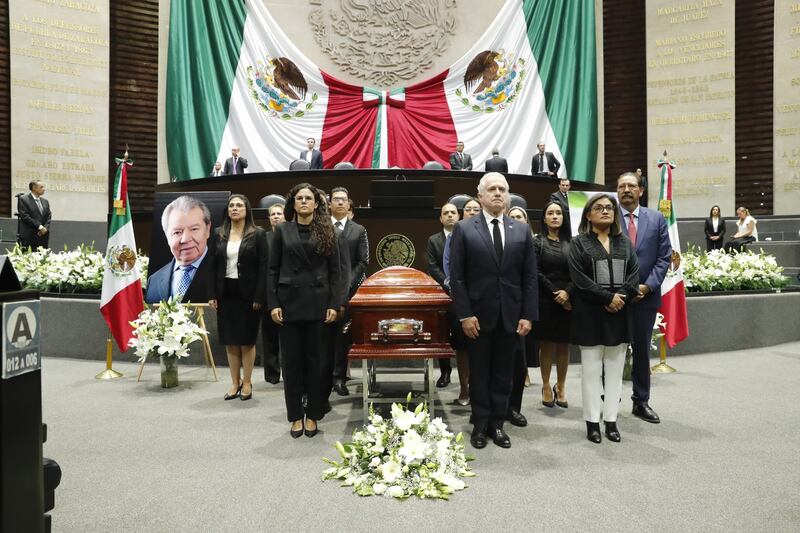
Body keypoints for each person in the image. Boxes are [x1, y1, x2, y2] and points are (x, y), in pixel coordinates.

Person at [450, 172, 538, 450]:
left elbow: (529, 277)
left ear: (508, 195)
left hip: (511, 316)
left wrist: (527, 314)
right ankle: (479, 423)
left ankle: (497, 424)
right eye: (492, 189)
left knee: (504, 373)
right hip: (476, 316)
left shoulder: (521, 230)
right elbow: (458, 277)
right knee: (480, 372)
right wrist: (464, 314)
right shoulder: (464, 229)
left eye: (502, 189)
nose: (498, 193)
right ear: (480, 196)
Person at [268, 183, 342, 438]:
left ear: (316, 203)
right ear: (293, 203)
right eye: (299, 198)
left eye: (308, 198)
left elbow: (336, 273)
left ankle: (313, 415)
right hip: (288, 305)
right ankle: (295, 416)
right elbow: (272, 270)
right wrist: (273, 303)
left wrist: (335, 304)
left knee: (317, 364)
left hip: (318, 305)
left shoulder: (328, 230)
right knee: (291, 365)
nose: (303, 202)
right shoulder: (281, 231)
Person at [568, 193, 640, 443]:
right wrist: (607, 298)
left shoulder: (624, 242)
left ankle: (611, 421)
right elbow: (579, 280)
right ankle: (592, 423)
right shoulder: (578, 243)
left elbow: (634, 274)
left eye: (609, 208)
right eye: (599, 208)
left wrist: (620, 296)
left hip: (619, 315)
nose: (605, 211)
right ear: (588, 214)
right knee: (590, 373)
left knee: (615, 372)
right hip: (590, 315)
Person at [617, 172, 671, 424]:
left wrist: (647, 287)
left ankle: (641, 401)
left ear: (641, 191)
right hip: (613, 299)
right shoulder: (607, 215)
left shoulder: (657, 218)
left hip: (645, 299)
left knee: (640, 352)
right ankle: (608, 402)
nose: (626, 190)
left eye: (631, 186)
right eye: (621, 186)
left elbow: (664, 257)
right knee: (611, 350)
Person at [208, 195, 268, 402]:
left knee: (247, 340)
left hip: (249, 295)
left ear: (247, 210)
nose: (234, 208)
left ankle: (248, 381)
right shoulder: (218, 234)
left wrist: (260, 295)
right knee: (230, 340)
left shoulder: (258, 234)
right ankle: (235, 382)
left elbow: (264, 267)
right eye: (231, 205)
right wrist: (212, 294)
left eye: (239, 205)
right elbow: (212, 266)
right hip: (226, 292)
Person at [532, 201, 573, 408]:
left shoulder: (573, 243)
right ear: (544, 218)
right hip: (545, 299)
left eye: (558, 213)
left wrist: (567, 292)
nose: (555, 216)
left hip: (568, 299)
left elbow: (578, 272)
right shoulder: (537, 241)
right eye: (550, 213)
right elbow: (536, 271)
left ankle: (561, 385)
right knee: (546, 344)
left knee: (564, 345)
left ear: (564, 217)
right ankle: (546, 385)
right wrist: (555, 293)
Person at [329, 187, 369, 397]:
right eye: (336, 200)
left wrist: (347, 284)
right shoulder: (322, 227)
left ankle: (339, 377)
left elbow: (363, 261)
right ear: (329, 204)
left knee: (341, 337)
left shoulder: (358, 230)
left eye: (343, 200)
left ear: (348, 204)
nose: (340, 203)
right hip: (324, 291)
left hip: (350, 292)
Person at [442, 197, 481, 406]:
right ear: (462, 214)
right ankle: (465, 389)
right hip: (461, 300)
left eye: (477, 209)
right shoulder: (455, 236)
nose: (473, 212)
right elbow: (450, 270)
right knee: (463, 348)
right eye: (468, 209)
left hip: (484, 300)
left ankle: (480, 389)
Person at [145, 195, 215, 304]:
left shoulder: (224, 273)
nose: (186, 239)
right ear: (167, 235)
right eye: (177, 232)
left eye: (194, 229)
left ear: (207, 230)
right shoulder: (154, 281)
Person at [426, 203, 459, 389]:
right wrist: (448, 283)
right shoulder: (434, 240)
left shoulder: (466, 237)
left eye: (453, 213)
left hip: (465, 294)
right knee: (442, 334)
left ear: (459, 216)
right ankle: (445, 371)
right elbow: (432, 266)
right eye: (445, 213)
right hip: (443, 292)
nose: (449, 216)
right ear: (440, 219)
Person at [262, 203, 285, 383]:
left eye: (279, 213)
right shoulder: (264, 238)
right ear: (269, 218)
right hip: (267, 292)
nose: (276, 216)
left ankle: (290, 371)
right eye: (273, 214)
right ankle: (272, 374)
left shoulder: (290, 236)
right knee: (269, 336)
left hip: (288, 292)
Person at [17, 180, 52, 250]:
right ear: (34, 188)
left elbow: (49, 216)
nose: (44, 189)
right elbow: (25, 216)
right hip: (30, 236)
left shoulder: (45, 201)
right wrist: (40, 227)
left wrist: (45, 228)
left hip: (43, 237)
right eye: (41, 187)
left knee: (42, 259)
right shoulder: (23, 199)